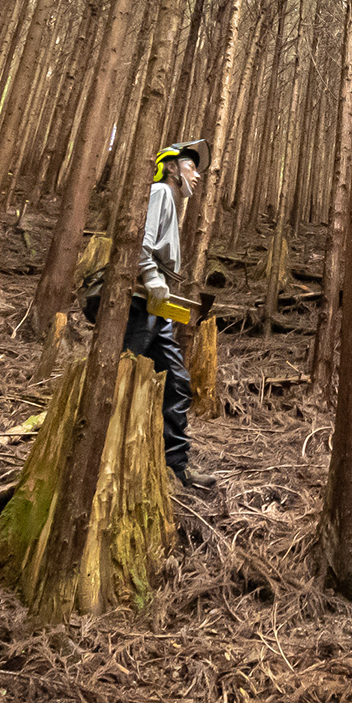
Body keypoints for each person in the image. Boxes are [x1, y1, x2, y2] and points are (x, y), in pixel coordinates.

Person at [117, 139, 217, 489]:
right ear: (173, 167)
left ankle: (175, 467)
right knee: (124, 375)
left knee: (175, 381)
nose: (198, 177)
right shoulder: (160, 191)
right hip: (139, 301)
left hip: (155, 305)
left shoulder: (173, 203)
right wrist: (149, 274)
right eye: (192, 168)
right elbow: (141, 239)